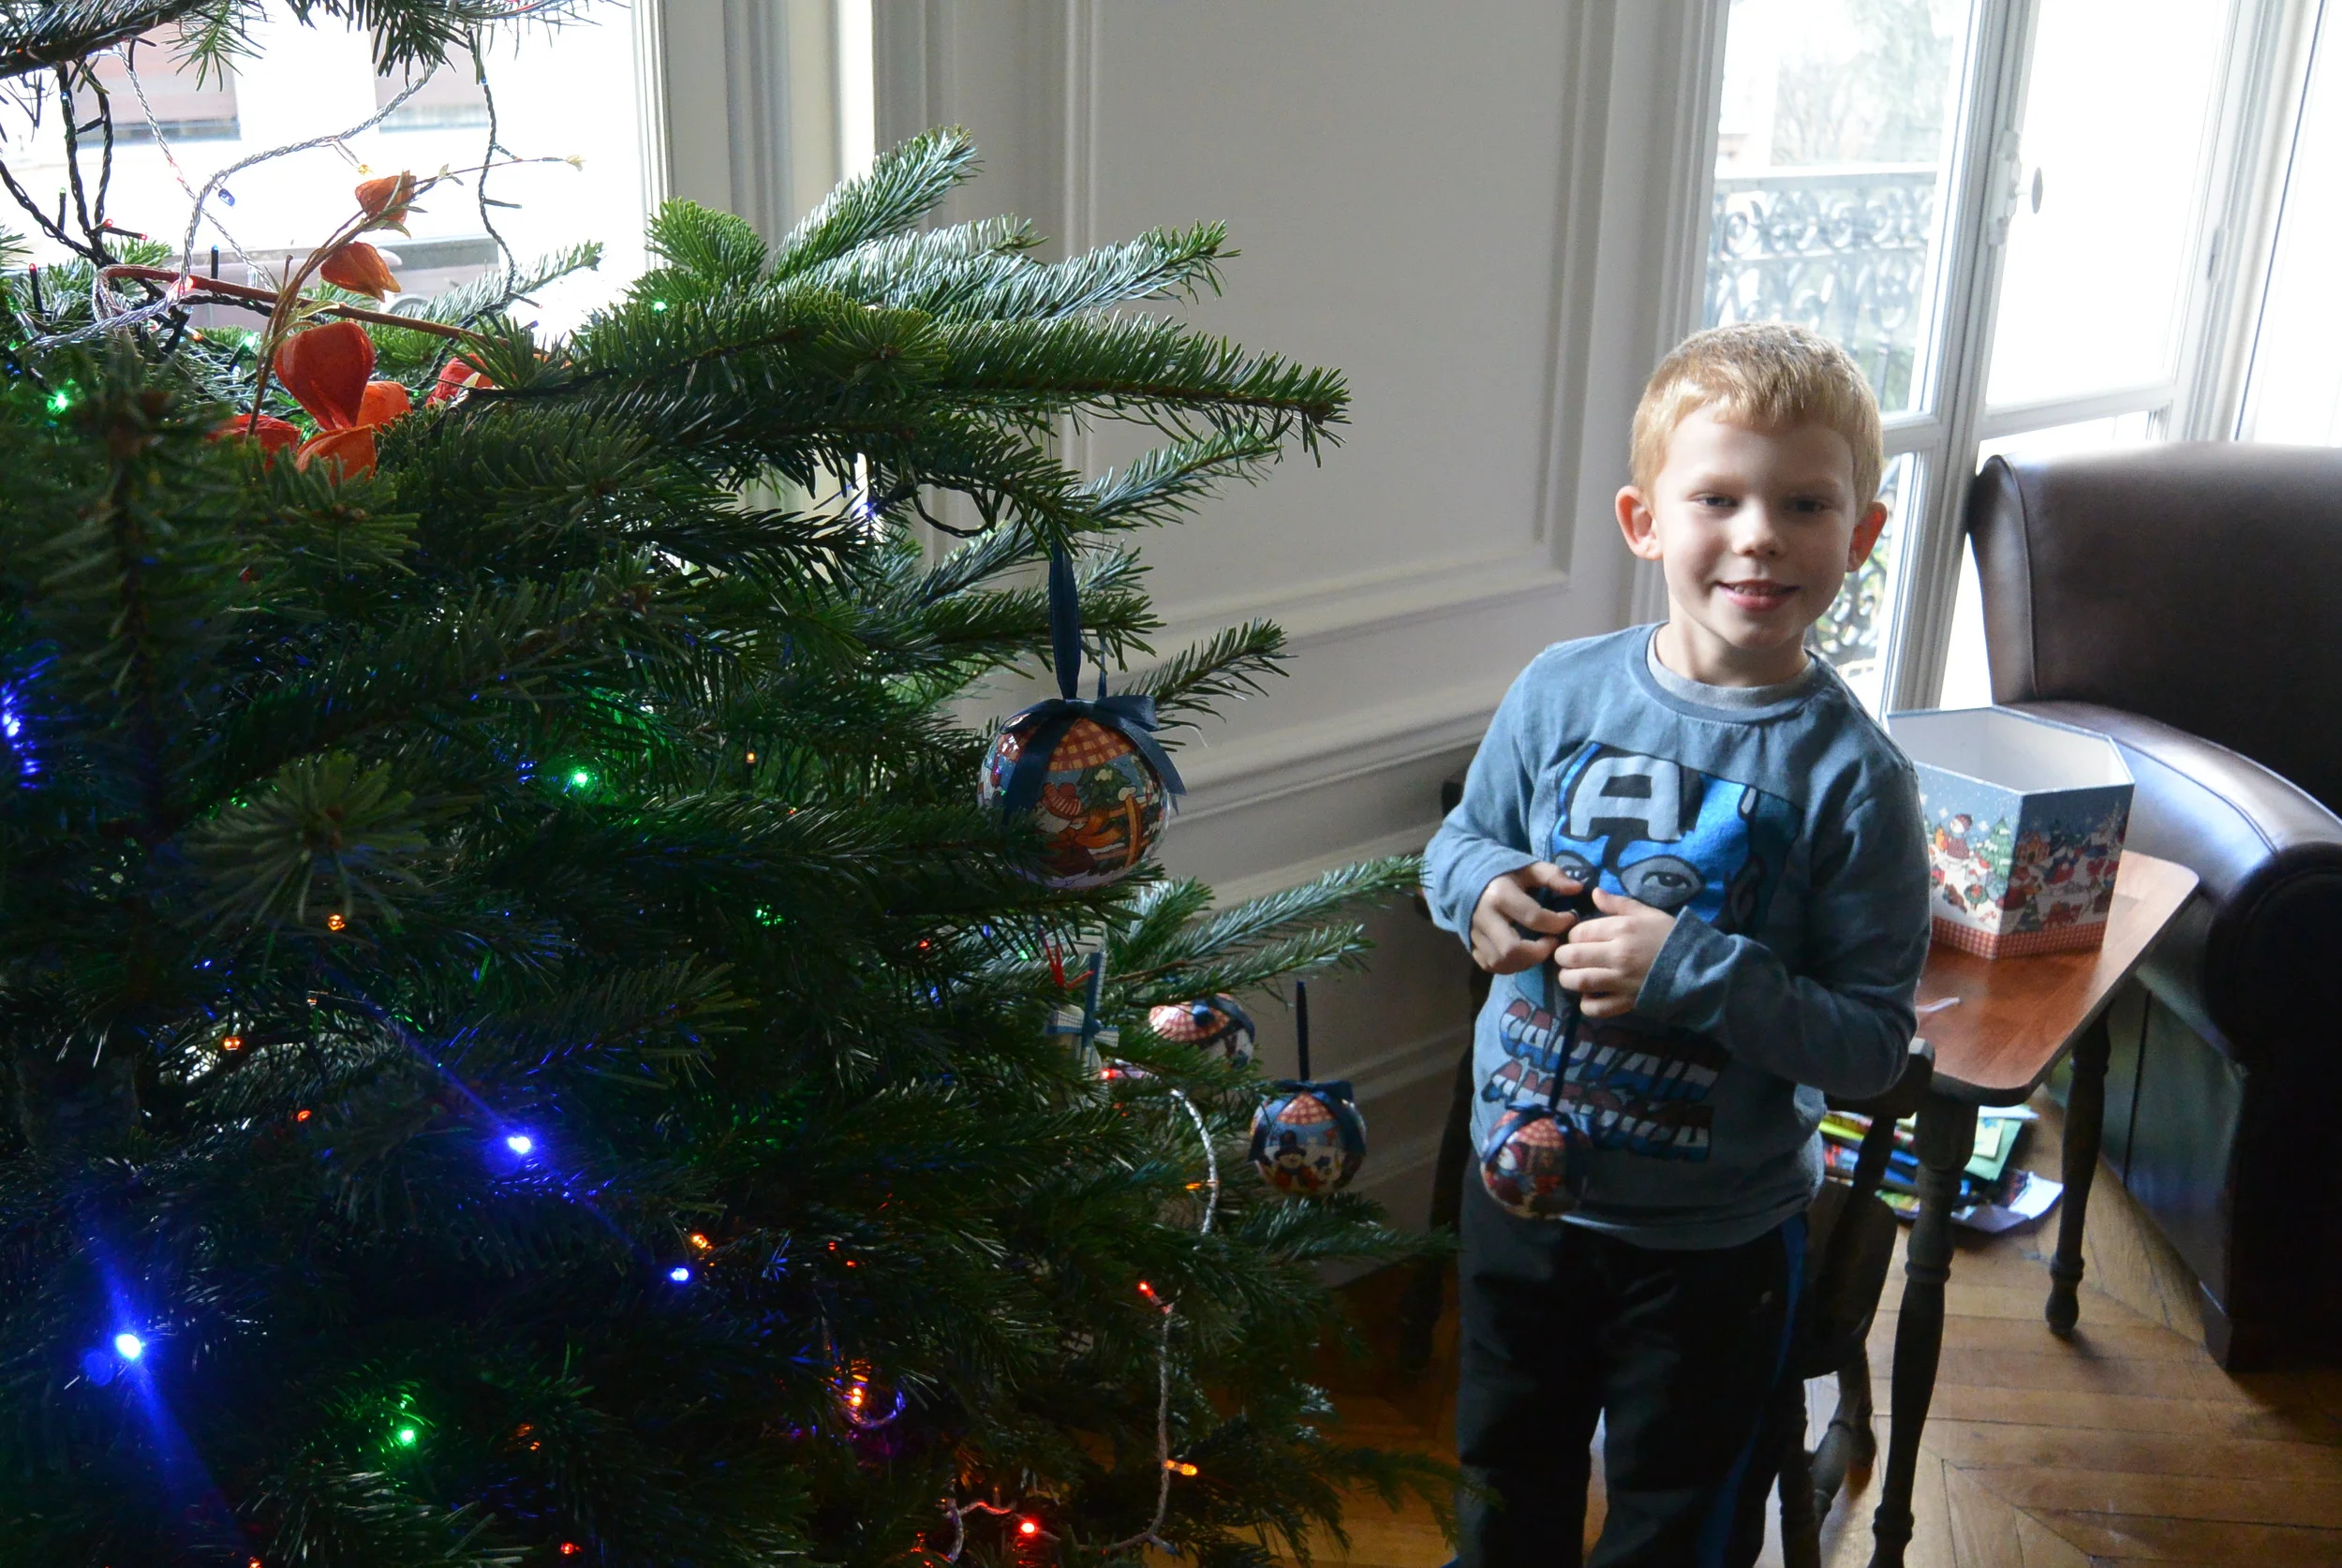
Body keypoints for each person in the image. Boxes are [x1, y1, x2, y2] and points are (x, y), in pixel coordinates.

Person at [1422, 321, 1933, 1568]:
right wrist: (1480, 889)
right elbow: (1459, 845)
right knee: (1503, 1489)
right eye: (1719, 498)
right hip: (1517, 1202)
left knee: (1676, 1522)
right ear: (1644, 521)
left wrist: (1692, 973)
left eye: (1805, 503)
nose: (1761, 535)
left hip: (1712, 1248)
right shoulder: (1560, 690)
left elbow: (1872, 1046)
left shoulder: (1857, 780)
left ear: (1862, 535)